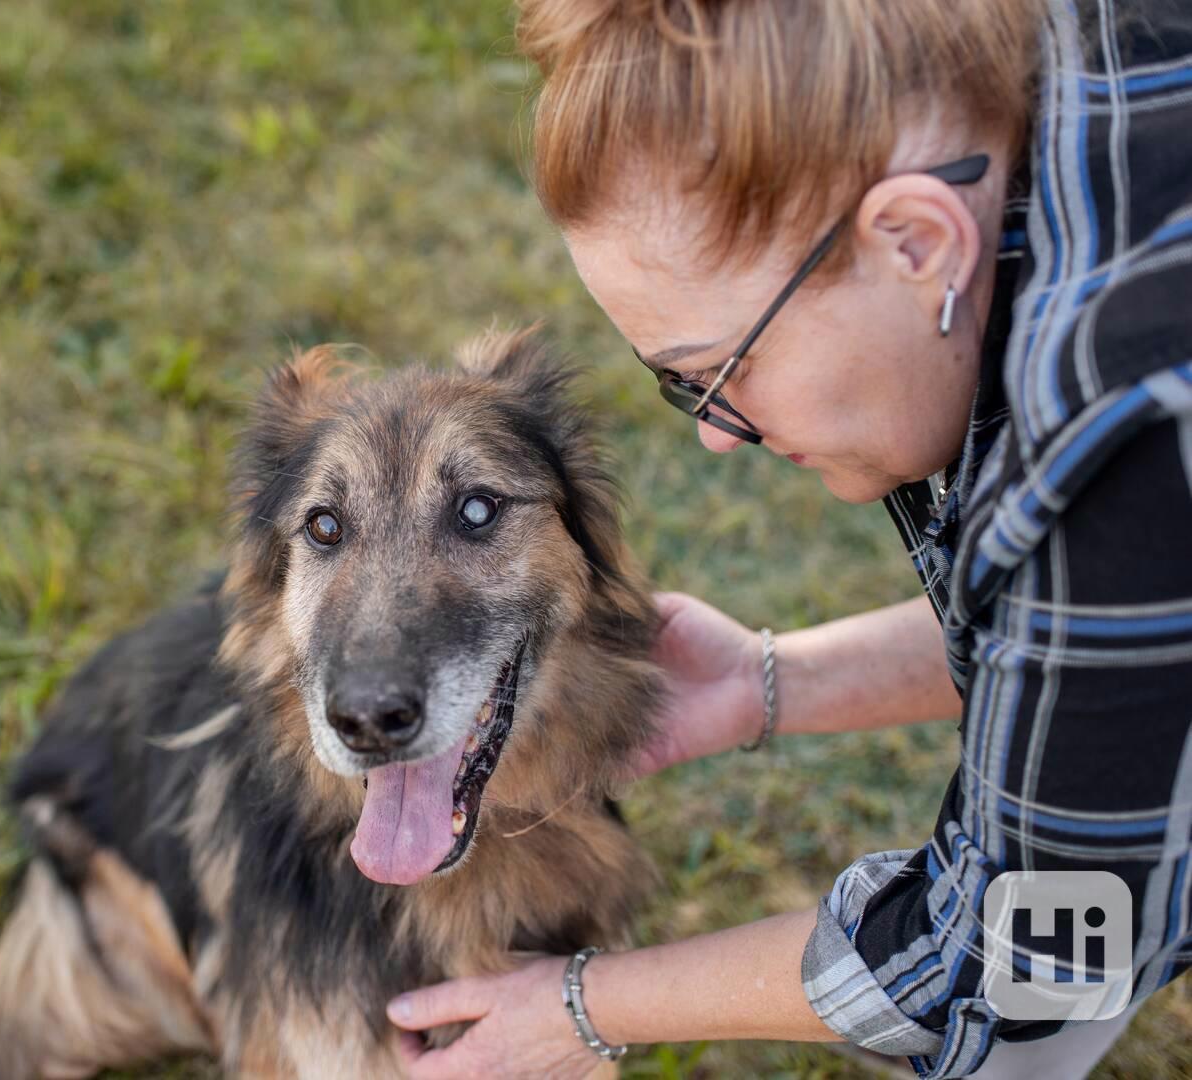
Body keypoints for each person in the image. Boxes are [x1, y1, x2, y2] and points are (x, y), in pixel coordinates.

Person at [385, 2, 1192, 1077]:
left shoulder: (1117, 443)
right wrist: (771, 680)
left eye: (722, 371)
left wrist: (579, 1004)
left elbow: (1020, 963)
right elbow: (1109, 661)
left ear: (916, 241)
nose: (717, 434)